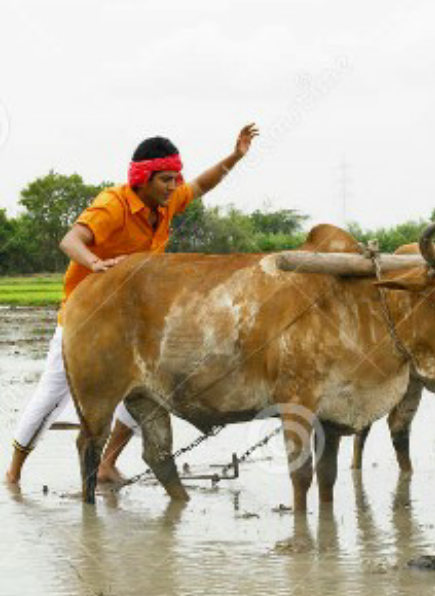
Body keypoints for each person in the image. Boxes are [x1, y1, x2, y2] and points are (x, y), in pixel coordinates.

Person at [5, 123, 259, 486]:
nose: (173, 187)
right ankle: (13, 473)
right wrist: (95, 263)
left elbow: (201, 185)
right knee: (53, 395)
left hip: (135, 324)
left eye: (175, 179)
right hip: (87, 317)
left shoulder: (166, 204)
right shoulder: (113, 204)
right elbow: (71, 240)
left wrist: (235, 156)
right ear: (142, 179)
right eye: (166, 180)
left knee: (147, 391)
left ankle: (106, 464)